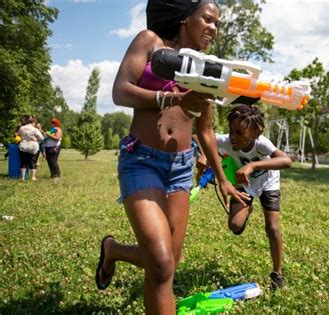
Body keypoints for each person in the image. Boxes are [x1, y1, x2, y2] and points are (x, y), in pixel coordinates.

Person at [95, 1, 248, 314]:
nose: (213, 28)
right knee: (161, 261)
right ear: (185, 18)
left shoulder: (204, 66)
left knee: (166, 266)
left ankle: (113, 250)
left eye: (217, 23)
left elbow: (205, 130)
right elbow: (120, 91)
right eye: (207, 19)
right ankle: (112, 250)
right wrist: (171, 98)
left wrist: (222, 179)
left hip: (180, 167)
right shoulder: (150, 41)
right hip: (142, 160)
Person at [197, 104, 292, 290]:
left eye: (239, 132)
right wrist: (203, 154)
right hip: (246, 186)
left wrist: (253, 166)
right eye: (231, 130)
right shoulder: (227, 141)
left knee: (272, 228)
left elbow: (286, 160)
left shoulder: (262, 144)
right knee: (235, 226)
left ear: (256, 132)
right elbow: (199, 136)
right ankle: (248, 208)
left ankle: (277, 273)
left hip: (268, 183)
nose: (233, 137)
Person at [17, 116, 44, 181]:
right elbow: (42, 138)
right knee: (33, 161)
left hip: (23, 145)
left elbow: (19, 135)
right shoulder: (35, 129)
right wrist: (36, 138)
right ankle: (33, 177)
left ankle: (23, 177)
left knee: (23, 162)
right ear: (32, 122)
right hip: (33, 146)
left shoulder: (21, 128)